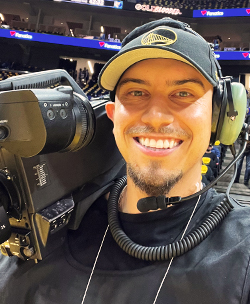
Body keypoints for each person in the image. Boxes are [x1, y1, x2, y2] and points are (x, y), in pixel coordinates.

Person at [0, 18, 250, 304]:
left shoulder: (243, 254)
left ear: (220, 119)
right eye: (136, 92)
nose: (156, 116)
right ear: (113, 116)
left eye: (183, 93)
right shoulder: (41, 239)